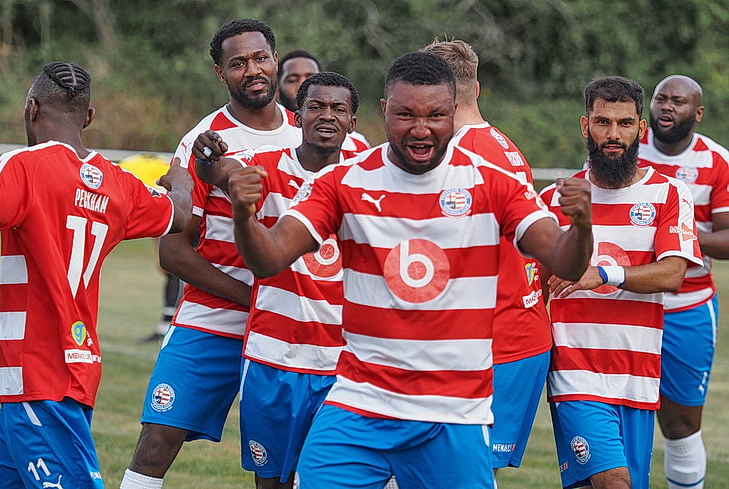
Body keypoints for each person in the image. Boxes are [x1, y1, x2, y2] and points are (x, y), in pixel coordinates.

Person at [226, 51, 593, 489]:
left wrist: (582, 225)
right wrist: (245, 217)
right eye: (405, 115)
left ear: (454, 113)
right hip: (361, 404)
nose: (421, 129)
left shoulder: (495, 182)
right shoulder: (344, 182)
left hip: (452, 413)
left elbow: (564, 260)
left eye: (436, 115)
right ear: (384, 111)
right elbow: (268, 259)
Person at [120, 18, 302, 489]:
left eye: (261, 58)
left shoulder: (309, 134)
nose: (253, 70)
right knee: (156, 440)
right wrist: (249, 297)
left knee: (275, 464)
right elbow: (173, 253)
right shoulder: (203, 142)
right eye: (238, 63)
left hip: (290, 321)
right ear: (221, 73)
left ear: (275, 60)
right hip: (215, 316)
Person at [0, 62, 193, 489]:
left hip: (39, 373)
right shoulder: (118, 184)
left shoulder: (23, 167)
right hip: (71, 370)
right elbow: (178, 214)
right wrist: (182, 180)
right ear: (89, 116)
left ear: (31, 108)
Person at [195, 71, 359, 489]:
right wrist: (206, 157)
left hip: (343, 362)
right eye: (316, 106)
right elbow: (219, 172)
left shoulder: (366, 180)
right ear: (297, 115)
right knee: (272, 482)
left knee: (339, 478)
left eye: (338, 109)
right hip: (273, 357)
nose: (327, 116)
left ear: (353, 123)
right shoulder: (264, 169)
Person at [540, 76, 702, 489]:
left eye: (625, 123)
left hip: (637, 375)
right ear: (584, 125)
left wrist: (603, 274)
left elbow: (674, 273)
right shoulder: (551, 201)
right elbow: (529, 289)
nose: (613, 134)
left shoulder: (669, 194)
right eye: (602, 122)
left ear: (640, 129)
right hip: (575, 373)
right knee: (615, 484)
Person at [423, 39, 552, 476]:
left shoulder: (462, 158)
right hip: (517, 333)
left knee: (457, 473)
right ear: (476, 88)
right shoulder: (502, 145)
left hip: (494, 342)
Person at [638, 75, 729, 489]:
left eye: (677, 101)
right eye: (660, 99)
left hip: (687, 307)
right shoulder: (625, 148)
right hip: (626, 301)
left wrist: (677, 234)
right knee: (622, 414)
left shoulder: (716, 161)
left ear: (697, 112)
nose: (666, 107)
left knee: (680, 424)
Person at [118, 153, 184, 339]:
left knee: (178, 273)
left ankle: (169, 322)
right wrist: (159, 253)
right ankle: (167, 321)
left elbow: (169, 220)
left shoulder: (166, 189)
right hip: (172, 228)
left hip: (186, 233)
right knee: (172, 272)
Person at [277, 48, 371, 154]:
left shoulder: (357, 145)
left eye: (312, 79)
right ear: (277, 90)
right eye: (292, 80)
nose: (302, 85)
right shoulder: (269, 141)